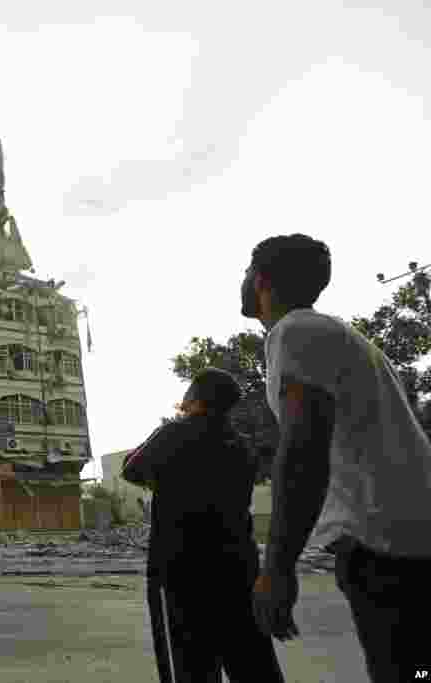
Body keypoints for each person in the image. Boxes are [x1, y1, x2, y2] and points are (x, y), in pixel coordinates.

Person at [241, 234, 431, 682]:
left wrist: (278, 570)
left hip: (387, 546)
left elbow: (303, 448)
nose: (244, 283)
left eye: (246, 274)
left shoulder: (296, 331)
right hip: (408, 539)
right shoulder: (341, 338)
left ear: (262, 281)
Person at [123, 367, 285, 683]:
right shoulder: (243, 446)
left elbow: (132, 469)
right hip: (239, 567)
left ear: (195, 398)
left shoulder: (171, 434)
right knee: (253, 661)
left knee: (195, 665)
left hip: (185, 571)